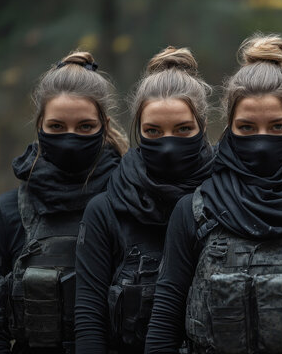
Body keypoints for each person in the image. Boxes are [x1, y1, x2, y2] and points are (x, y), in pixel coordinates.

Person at [144, 33, 282, 353]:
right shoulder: (194, 211)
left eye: (277, 127)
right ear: (229, 127)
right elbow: (164, 327)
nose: (261, 142)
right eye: (247, 127)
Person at [74, 47, 214, 353]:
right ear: (138, 130)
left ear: (202, 127)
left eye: (183, 130)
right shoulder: (108, 209)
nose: (167, 145)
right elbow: (89, 319)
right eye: (153, 131)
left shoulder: (226, 196)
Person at [0, 51, 128, 353]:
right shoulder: (8, 213)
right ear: (39, 126)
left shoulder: (133, 203)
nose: (70, 139)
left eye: (85, 127)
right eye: (57, 127)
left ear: (104, 126)